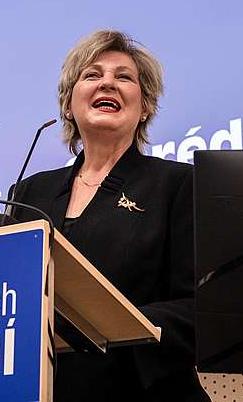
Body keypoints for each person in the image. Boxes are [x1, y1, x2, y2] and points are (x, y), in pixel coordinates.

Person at [11, 30, 211, 401]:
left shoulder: (178, 184)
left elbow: (203, 307)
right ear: (68, 106)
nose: (107, 83)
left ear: (145, 107)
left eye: (124, 77)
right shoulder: (28, 194)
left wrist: (121, 327)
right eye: (92, 75)